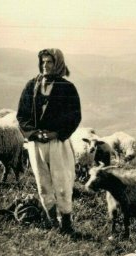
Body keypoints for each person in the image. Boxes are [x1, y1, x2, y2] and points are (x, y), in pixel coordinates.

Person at [16, 48, 81, 233]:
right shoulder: (31, 86)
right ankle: (51, 221)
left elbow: (74, 117)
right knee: (43, 183)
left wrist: (56, 133)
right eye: (43, 62)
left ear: (57, 64)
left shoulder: (67, 88)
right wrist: (34, 133)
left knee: (62, 183)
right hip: (36, 144)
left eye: (49, 62)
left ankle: (66, 223)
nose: (45, 65)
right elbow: (22, 115)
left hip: (58, 144)